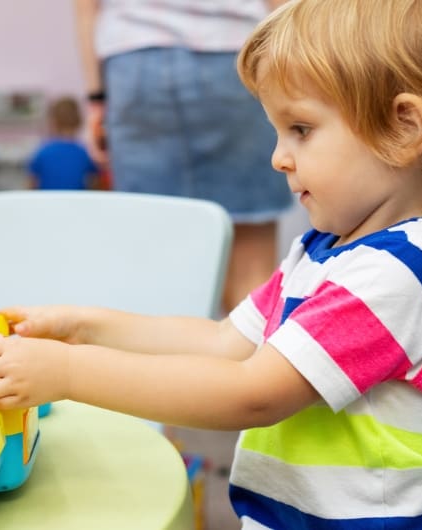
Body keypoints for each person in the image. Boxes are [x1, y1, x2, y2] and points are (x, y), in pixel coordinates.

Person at [0, 0, 422, 527]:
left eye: (301, 129)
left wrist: (67, 373)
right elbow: (224, 342)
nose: (278, 157)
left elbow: (252, 395)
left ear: (404, 128)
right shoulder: (324, 250)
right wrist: (82, 328)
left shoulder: (396, 275)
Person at [73, 0, 294, 312]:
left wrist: (96, 98)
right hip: (235, 53)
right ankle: (254, 357)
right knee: (250, 260)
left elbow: (85, 8)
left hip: (134, 59)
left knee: (156, 261)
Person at [28, 96, 100, 190]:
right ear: (79, 121)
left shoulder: (42, 152)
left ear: (53, 122)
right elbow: (94, 184)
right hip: (76, 201)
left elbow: (31, 184)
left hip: (47, 202)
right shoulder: (84, 152)